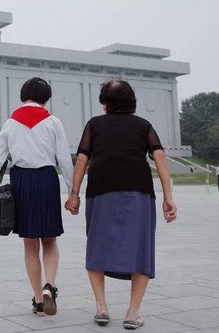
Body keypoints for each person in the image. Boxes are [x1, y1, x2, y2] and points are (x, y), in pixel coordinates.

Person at [65, 79, 177, 330]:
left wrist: (74, 194)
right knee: (141, 248)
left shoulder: (94, 125)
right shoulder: (143, 125)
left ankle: (101, 308)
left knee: (97, 246)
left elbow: (82, 159)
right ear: (132, 102)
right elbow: (159, 156)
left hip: (101, 190)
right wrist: (168, 196)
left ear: (104, 103)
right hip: (138, 191)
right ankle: (132, 313)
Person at [0, 77, 74, 317]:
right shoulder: (53, 121)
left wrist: (15, 166)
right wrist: (72, 191)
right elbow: (64, 159)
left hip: (22, 181)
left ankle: (38, 301)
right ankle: (50, 286)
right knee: (50, 239)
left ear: (23, 95)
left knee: (30, 244)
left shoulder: (11, 123)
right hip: (47, 179)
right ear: (46, 98)